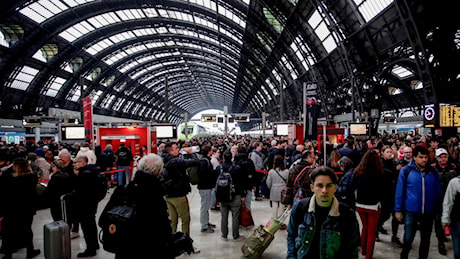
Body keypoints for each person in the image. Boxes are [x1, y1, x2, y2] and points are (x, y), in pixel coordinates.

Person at [99, 153, 175, 258]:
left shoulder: (122, 190)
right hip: (149, 251)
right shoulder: (155, 195)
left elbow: (103, 219)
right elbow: (162, 229)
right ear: (158, 172)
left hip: (124, 250)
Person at [286, 166, 360, 258]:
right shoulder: (300, 208)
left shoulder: (347, 215)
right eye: (320, 185)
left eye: (329, 185)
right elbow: (291, 236)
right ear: (312, 187)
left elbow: (352, 249)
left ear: (335, 188)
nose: (324, 190)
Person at [394, 145, 442, 259]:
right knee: (408, 238)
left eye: (426, 157)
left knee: (426, 240)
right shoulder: (406, 171)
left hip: (428, 212)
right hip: (411, 210)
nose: (424, 160)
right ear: (414, 157)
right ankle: (404, 255)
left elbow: (437, 192)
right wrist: (398, 210)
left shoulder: (433, 172)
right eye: (421, 157)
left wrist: (438, 209)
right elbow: (400, 191)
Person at [161, 142, 200, 253]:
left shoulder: (163, 160)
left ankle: (171, 242)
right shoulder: (176, 161)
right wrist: (191, 152)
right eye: (175, 148)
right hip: (178, 195)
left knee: (173, 220)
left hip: (168, 195)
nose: (178, 149)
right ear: (171, 151)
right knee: (185, 220)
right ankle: (185, 244)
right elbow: (195, 162)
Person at [0, 158, 41, 259]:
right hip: (26, 208)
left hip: (11, 209)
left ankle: (8, 253)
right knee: (27, 229)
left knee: (9, 231)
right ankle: (30, 250)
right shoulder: (32, 178)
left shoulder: (8, 179)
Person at [62, 155, 102, 257]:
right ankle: (95, 244)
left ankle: (90, 248)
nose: (74, 164)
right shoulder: (92, 172)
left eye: (76, 162)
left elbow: (79, 190)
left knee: (87, 227)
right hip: (92, 203)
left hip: (84, 204)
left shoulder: (84, 175)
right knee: (91, 225)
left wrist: (67, 196)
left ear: (82, 163)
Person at [354, 149, 384, 259]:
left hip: (360, 204)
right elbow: (382, 190)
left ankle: (363, 250)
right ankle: (368, 255)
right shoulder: (380, 173)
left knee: (364, 228)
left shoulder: (358, 172)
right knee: (371, 231)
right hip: (373, 205)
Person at [432, 147, 458, 255]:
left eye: (445, 157)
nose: (443, 159)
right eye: (440, 157)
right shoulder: (432, 169)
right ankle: (440, 241)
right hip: (437, 199)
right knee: (438, 222)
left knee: (450, 219)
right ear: (436, 158)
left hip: (451, 198)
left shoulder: (453, 168)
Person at [217, 150, 245, 242]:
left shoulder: (219, 168)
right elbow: (241, 182)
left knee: (224, 216)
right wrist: (242, 194)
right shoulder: (237, 168)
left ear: (223, 157)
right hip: (235, 195)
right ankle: (235, 235)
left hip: (222, 195)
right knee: (235, 216)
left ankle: (224, 235)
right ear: (231, 156)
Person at [379, 145, 403, 247]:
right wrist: (395, 170)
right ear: (382, 153)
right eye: (387, 152)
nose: (389, 154)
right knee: (385, 214)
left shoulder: (393, 163)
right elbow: (384, 173)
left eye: (390, 152)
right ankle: (377, 228)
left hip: (394, 192)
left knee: (395, 215)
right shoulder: (380, 163)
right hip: (384, 193)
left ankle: (394, 235)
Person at [197, 145, 217, 233]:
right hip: (205, 187)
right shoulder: (204, 162)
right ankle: (204, 226)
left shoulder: (204, 160)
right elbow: (204, 175)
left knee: (206, 206)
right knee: (204, 207)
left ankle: (206, 222)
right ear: (209, 152)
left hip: (206, 186)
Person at [441, 174, 460, 259]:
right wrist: (445, 219)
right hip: (457, 220)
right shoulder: (455, 182)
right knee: (458, 251)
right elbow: (448, 202)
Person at [266, 155, 288, 224]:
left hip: (274, 189)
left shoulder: (271, 171)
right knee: (282, 207)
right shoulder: (286, 171)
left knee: (274, 206)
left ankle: (274, 221)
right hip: (283, 189)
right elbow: (288, 181)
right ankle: (281, 222)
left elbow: (268, 182)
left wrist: (271, 187)